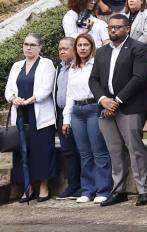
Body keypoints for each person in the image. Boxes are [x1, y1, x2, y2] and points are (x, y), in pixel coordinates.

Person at [88, 14, 147, 207]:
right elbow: (93, 79)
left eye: (117, 27)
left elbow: (139, 77)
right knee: (114, 151)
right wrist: (103, 100)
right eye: (110, 27)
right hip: (106, 107)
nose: (113, 30)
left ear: (127, 28)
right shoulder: (101, 52)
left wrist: (117, 100)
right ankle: (119, 190)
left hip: (130, 107)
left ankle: (144, 190)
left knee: (135, 149)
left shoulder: (138, 48)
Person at [5, 33, 58, 202]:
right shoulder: (17, 65)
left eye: (32, 45)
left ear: (40, 47)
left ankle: (43, 187)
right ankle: (27, 187)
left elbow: (46, 88)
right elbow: (8, 89)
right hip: (21, 114)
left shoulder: (46, 64)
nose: (28, 47)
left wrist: (30, 100)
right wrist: (14, 99)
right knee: (22, 152)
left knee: (42, 151)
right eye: (26, 44)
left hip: (39, 115)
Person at [62, 34, 113, 204]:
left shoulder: (96, 65)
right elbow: (69, 94)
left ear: (92, 47)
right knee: (84, 153)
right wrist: (66, 119)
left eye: (86, 45)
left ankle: (103, 189)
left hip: (93, 108)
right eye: (79, 45)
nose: (82, 48)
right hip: (77, 111)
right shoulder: (73, 68)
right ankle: (88, 189)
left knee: (99, 151)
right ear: (75, 48)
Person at [55, 38, 82, 200]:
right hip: (60, 114)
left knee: (81, 150)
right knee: (68, 151)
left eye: (65, 48)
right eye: (60, 49)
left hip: (77, 112)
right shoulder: (59, 68)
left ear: (74, 49)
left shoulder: (80, 67)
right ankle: (73, 185)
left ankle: (84, 185)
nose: (62, 51)